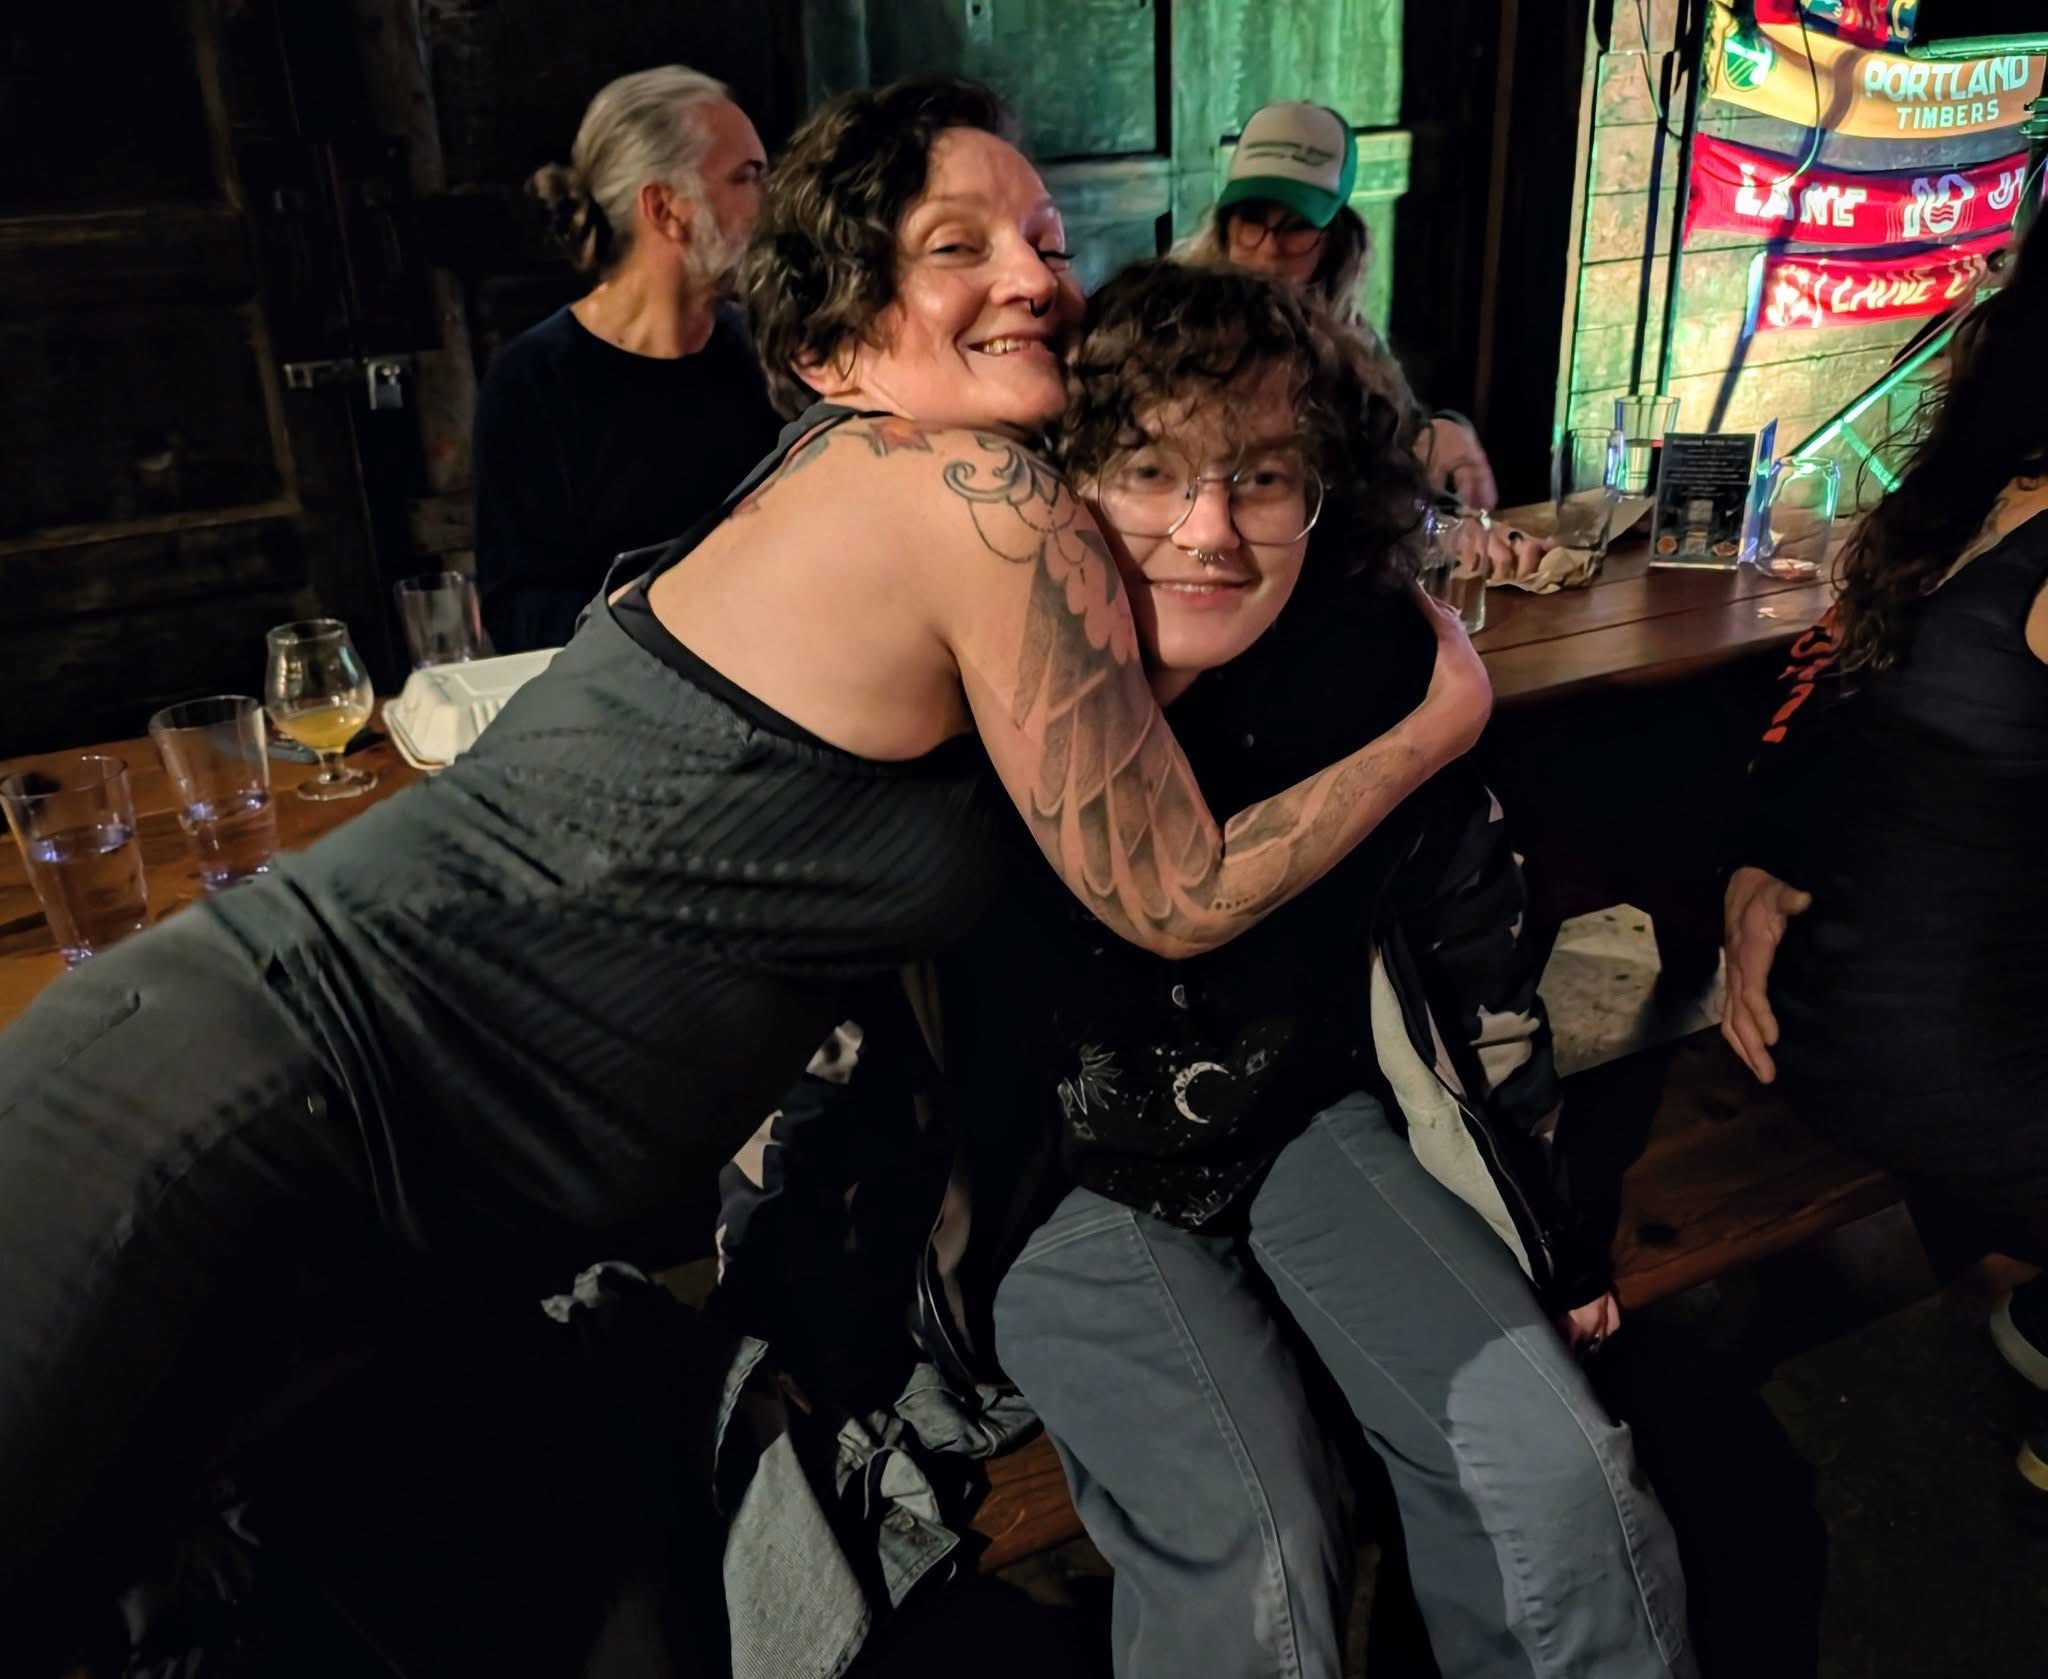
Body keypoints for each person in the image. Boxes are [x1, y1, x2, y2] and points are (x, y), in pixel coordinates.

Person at [0, 78, 1496, 1671]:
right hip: (262, 1094)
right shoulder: (972, 494)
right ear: (834, 331)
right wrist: (1439, 717)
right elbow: (1172, 887)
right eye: (960, 244)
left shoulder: (882, 481)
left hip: (432, 1238)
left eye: (1050, 240)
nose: (1037, 277)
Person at [968, 261, 1689, 1679]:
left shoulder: (1359, 666)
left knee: (1559, 1475)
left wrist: (1544, 1237)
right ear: (1065, 480)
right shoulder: (967, 687)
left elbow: (1477, 971)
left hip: (1303, 1122)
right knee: (1258, 1558)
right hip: (1052, 1181)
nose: (1207, 529)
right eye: (1148, 469)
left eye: (1260, 476)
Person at [1719, 212, 2048, 1479]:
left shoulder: (1970, 489)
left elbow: (1808, 721)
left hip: (1829, 1009)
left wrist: (1748, 870)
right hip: (1950, 1063)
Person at [473, 65, 783, 651]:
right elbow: (519, 613)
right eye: (747, 177)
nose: (773, 204)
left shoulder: (769, 353)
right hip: (623, 688)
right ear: (665, 208)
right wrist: (672, 612)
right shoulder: (533, 382)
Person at [1179, 99, 1504, 527]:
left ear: (1337, 241)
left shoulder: (1353, 343)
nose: (1269, 247)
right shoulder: (1171, 331)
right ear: (1224, 225)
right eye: (1253, 220)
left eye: (1297, 226)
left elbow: (1404, 438)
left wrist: (1443, 433)